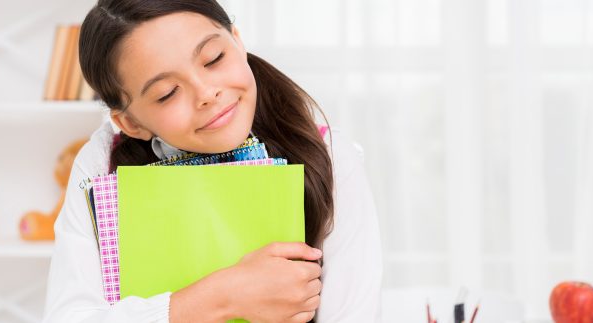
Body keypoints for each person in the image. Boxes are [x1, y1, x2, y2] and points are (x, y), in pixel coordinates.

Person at [42, 0, 382, 322]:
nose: (206, 94)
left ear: (237, 40)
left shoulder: (329, 154)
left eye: (213, 59)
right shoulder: (100, 164)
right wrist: (222, 297)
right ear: (131, 122)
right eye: (167, 93)